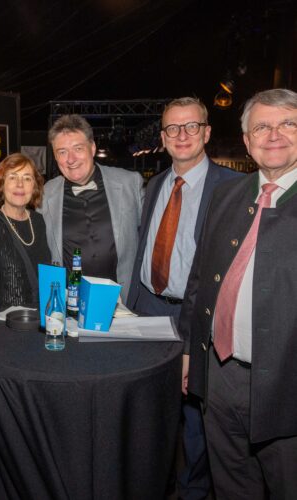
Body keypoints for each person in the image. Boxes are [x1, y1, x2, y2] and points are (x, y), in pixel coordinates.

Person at [179, 88, 297, 499]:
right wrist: (191, 352)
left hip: (287, 388)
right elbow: (199, 279)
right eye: (261, 127)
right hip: (220, 377)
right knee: (231, 488)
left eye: (288, 123)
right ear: (247, 141)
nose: (274, 134)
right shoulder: (227, 195)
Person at [127, 97, 240, 499]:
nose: (182, 135)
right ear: (162, 138)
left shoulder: (232, 188)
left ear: (207, 133)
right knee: (150, 412)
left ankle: (192, 490)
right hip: (147, 311)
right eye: (172, 128)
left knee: (196, 416)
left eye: (191, 126)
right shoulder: (154, 184)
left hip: (198, 316)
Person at [40, 114, 143, 303]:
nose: (71, 159)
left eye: (78, 148)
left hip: (121, 302)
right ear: (55, 156)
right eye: (62, 152)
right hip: (68, 303)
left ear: (93, 148)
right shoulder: (45, 194)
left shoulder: (130, 183)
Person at [0, 152, 51, 311]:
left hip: (43, 318)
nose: (20, 184)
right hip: (6, 323)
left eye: (27, 178)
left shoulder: (39, 222)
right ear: (1, 185)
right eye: (13, 177)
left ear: (34, 187)